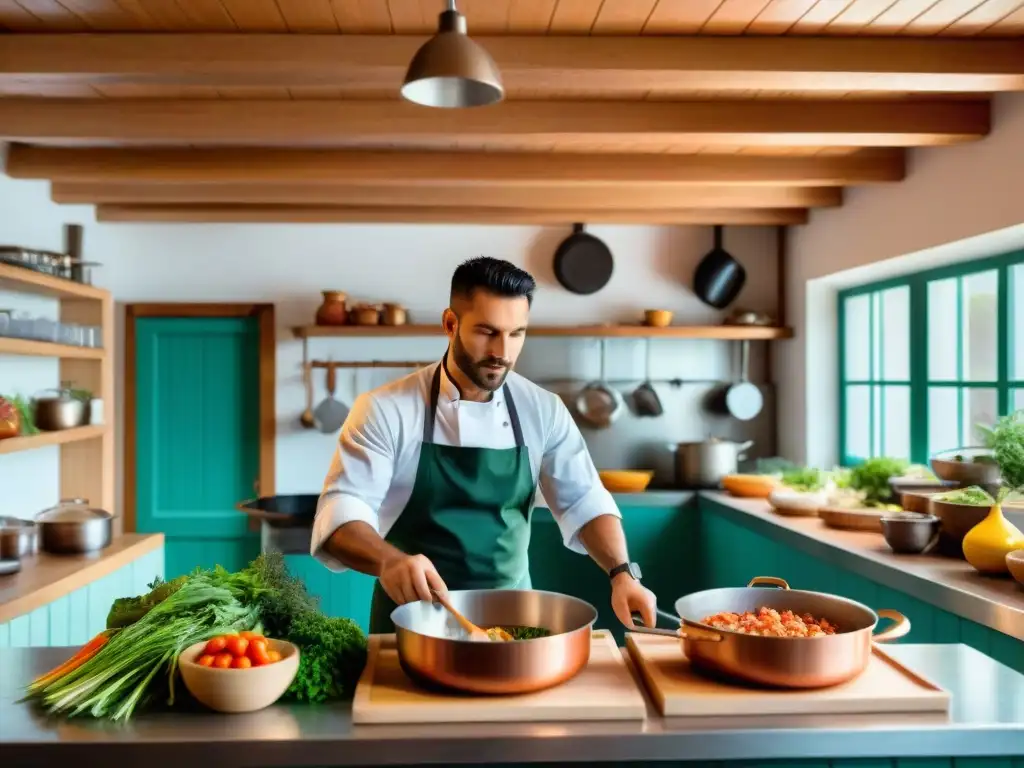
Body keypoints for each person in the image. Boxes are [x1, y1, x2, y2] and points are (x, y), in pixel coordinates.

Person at [310, 256, 657, 634]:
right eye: (487, 332)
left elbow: (584, 500)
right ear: (450, 324)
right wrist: (388, 561)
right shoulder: (386, 409)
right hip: (413, 623)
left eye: (516, 333)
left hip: (514, 623)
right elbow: (342, 512)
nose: (502, 352)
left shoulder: (543, 409)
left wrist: (622, 573)